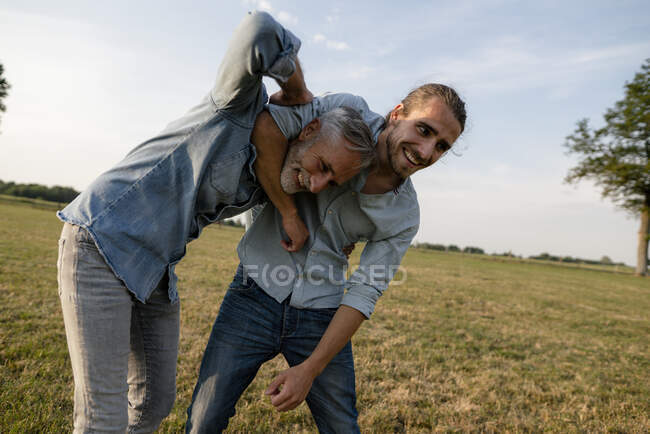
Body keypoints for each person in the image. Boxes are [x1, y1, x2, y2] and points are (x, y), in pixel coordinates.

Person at [55, 11, 374, 433]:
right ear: (309, 128)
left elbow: (322, 200)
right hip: (102, 239)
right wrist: (296, 88)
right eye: (321, 166)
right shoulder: (236, 105)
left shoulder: (276, 177)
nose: (317, 185)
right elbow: (258, 30)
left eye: (330, 180)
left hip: (155, 268)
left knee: (154, 400)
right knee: (103, 416)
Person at [186, 84, 467, 432]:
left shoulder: (405, 214)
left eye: (442, 146)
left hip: (322, 314)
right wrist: (287, 211)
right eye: (424, 130)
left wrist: (311, 368)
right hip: (251, 294)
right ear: (397, 114)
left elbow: (365, 291)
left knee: (342, 426)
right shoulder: (345, 112)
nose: (426, 151)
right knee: (204, 418)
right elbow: (270, 128)